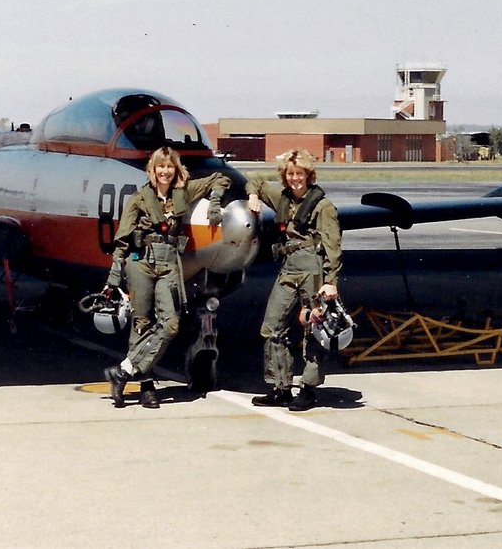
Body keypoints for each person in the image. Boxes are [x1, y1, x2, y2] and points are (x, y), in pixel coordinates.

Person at [103, 147, 230, 408]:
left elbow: (220, 177)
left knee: (170, 324)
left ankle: (123, 371)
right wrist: (114, 277)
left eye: (169, 166)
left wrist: (215, 200)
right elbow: (122, 240)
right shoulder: (140, 198)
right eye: (160, 167)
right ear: (153, 169)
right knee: (141, 325)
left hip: (169, 265)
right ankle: (147, 387)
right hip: (141, 265)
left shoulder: (184, 192)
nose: (165, 171)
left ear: (176, 169)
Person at [246, 148, 342, 411]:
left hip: (313, 270)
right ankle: (281, 387)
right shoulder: (282, 198)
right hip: (288, 269)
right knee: (272, 326)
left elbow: (333, 246)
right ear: (285, 176)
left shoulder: (323, 207)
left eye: (300, 174)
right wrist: (253, 196)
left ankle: (309, 389)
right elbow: (253, 181)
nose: (295, 179)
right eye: (290, 174)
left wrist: (330, 280)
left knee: (314, 330)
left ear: (308, 175)